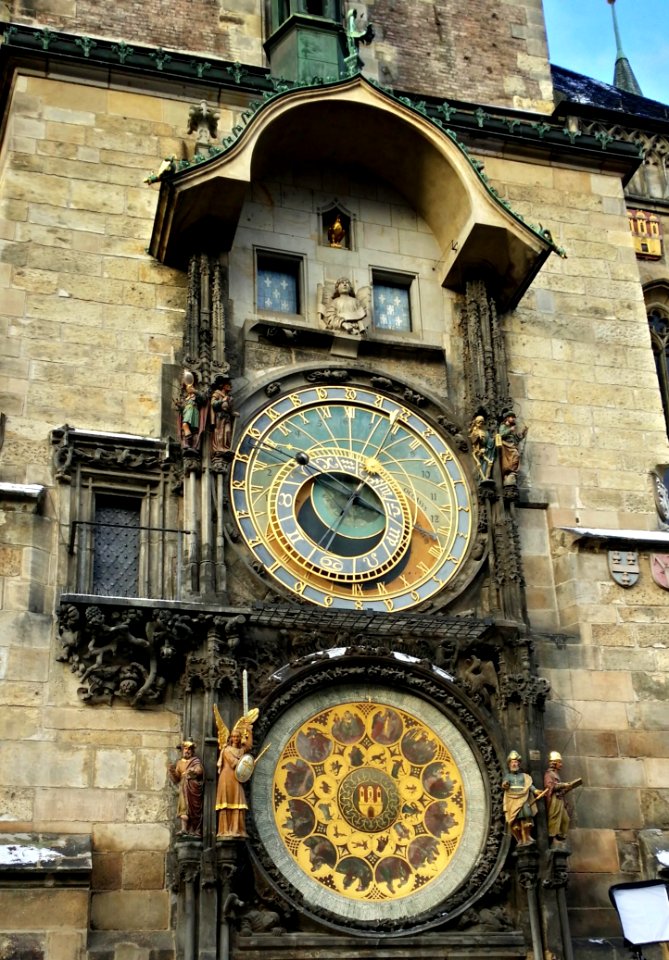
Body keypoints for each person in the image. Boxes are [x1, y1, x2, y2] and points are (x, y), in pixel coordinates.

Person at [216, 725, 252, 839]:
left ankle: (238, 829)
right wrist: (247, 764)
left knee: (239, 802)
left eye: (237, 737)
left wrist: (249, 732)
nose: (235, 739)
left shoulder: (241, 751)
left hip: (237, 778)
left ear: (240, 738)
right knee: (227, 802)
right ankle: (225, 830)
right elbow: (235, 763)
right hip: (227, 777)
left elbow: (249, 746)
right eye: (234, 737)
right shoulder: (226, 750)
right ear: (231, 738)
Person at [502, 750, 540, 845]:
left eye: (516, 762)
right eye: (512, 762)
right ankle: (519, 838)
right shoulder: (508, 776)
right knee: (515, 820)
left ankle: (527, 836)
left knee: (527, 816)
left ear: (518, 763)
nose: (514, 764)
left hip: (523, 797)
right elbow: (504, 784)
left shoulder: (524, 776)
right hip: (512, 799)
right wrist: (505, 784)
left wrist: (535, 791)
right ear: (509, 764)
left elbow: (529, 785)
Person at [168, 739, 204, 836]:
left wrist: (194, 770)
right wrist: (171, 771)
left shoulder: (195, 761)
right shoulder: (179, 763)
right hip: (183, 787)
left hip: (193, 787)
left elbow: (199, 770)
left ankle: (195, 829)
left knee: (194, 809)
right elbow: (176, 779)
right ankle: (184, 829)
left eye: (189, 749)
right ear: (182, 751)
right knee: (183, 808)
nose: (187, 751)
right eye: (185, 749)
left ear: (192, 751)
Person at [544, 751, 582, 843]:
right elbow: (550, 787)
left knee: (565, 819)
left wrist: (568, 787)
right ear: (554, 763)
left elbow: (559, 788)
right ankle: (553, 838)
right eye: (559, 762)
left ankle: (560, 836)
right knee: (555, 817)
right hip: (554, 800)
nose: (561, 764)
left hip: (560, 799)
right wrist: (563, 785)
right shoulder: (549, 774)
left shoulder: (556, 774)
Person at [497, 411, 528, 485]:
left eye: (514, 417)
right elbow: (501, 434)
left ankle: (512, 471)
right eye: (512, 417)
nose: (513, 419)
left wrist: (523, 433)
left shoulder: (512, 428)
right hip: (506, 445)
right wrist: (510, 430)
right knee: (515, 455)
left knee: (516, 456)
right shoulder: (503, 426)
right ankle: (509, 471)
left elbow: (516, 439)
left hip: (512, 444)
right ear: (507, 418)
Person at [210, 380, 233, 457]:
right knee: (220, 432)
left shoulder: (228, 397)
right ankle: (219, 448)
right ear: (223, 386)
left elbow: (229, 409)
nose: (230, 387)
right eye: (228, 385)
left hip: (227, 416)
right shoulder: (217, 393)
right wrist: (221, 400)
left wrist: (232, 413)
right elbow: (213, 404)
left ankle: (225, 447)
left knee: (227, 431)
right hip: (220, 416)